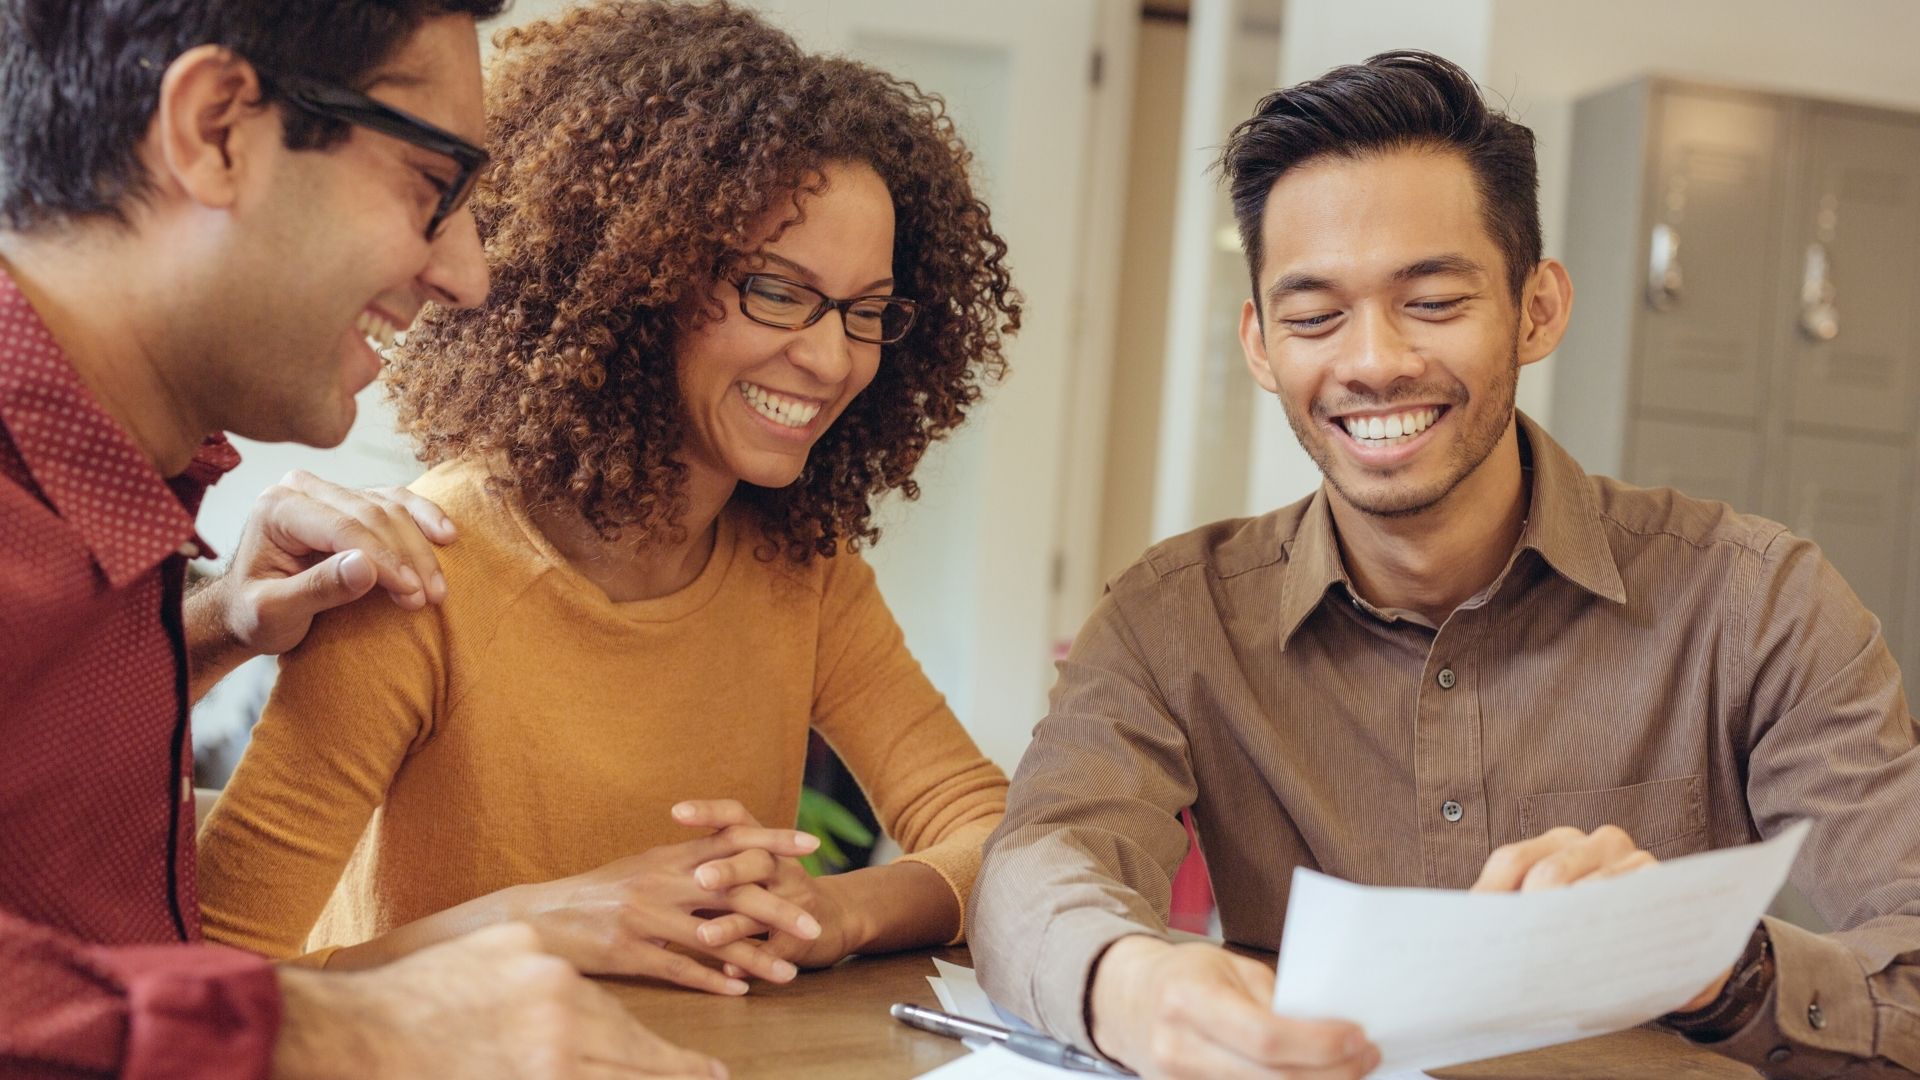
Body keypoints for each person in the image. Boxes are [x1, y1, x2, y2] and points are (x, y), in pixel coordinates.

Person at [969, 49, 1920, 1080]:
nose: (1373, 361)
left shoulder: (1757, 601)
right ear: (1259, 344)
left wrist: (1708, 961)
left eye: (1430, 300)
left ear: (1538, 309)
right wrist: (1127, 980)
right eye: (1314, 315)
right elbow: (1038, 863)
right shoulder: (1170, 618)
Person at [195, 0, 1017, 997]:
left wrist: (833, 910)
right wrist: (522, 932)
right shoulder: (419, 569)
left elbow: (991, 832)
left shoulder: (802, 572)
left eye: (868, 311)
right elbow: (212, 982)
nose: (833, 355)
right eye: (777, 290)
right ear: (639, 278)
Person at [0, 1, 722, 1076]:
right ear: (216, 129)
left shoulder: (111, 493)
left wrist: (201, 631)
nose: (467, 274)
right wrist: (349, 1028)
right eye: (433, 187)